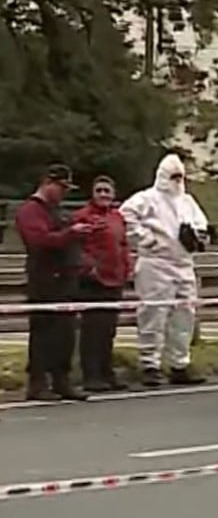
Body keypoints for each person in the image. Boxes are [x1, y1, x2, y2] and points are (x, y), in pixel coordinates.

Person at [120, 154, 209, 387]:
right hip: (155, 264)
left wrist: (198, 237)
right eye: (174, 176)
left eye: (180, 176)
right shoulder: (147, 199)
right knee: (154, 315)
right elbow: (125, 216)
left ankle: (179, 363)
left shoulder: (187, 201)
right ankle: (150, 363)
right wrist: (147, 239)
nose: (177, 180)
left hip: (183, 264)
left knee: (184, 316)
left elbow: (201, 224)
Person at [14, 165, 91, 401]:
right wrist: (71, 234)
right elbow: (39, 241)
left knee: (65, 334)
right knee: (43, 333)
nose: (63, 193)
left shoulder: (57, 211)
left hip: (65, 280)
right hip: (45, 281)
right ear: (47, 183)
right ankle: (38, 382)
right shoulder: (30, 211)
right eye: (61, 187)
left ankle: (61, 379)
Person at [74, 176, 133, 392]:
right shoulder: (83, 216)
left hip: (115, 278)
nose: (103, 195)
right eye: (99, 190)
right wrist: (88, 267)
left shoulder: (117, 217)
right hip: (93, 281)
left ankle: (107, 372)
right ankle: (91, 375)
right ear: (93, 193)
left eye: (107, 191)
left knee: (108, 330)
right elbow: (75, 245)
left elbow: (123, 244)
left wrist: (127, 267)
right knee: (92, 330)